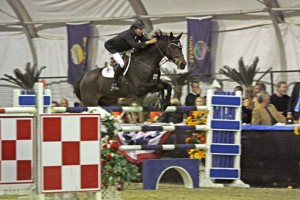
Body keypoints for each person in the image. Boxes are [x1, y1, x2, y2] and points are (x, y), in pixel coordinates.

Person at [104, 19, 157, 92]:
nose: (142, 31)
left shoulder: (139, 34)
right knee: (121, 64)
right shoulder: (127, 34)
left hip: (124, 49)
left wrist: (155, 42)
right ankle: (114, 83)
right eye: (140, 29)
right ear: (134, 29)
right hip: (113, 48)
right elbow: (135, 45)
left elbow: (145, 40)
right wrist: (148, 42)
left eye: (142, 29)